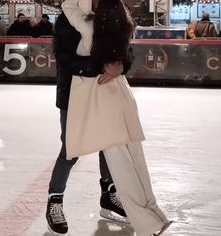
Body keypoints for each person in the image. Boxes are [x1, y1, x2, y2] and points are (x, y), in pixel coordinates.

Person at [62, 0, 172, 236]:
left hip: (103, 100)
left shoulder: (88, 27)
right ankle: (155, 216)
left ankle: (148, 224)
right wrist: (117, 66)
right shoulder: (123, 25)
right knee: (136, 162)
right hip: (122, 95)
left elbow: (67, 5)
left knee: (122, 167)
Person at [45, 2, 129, 235]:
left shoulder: (109, 12)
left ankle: (109, 195)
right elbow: (64, 57)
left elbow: (124, 47)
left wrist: (121, 65)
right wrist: (101, 67)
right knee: (71, 150)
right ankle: (55, 201)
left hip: (104, 90)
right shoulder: (69, 16)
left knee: (108, 144)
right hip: (74, 93)